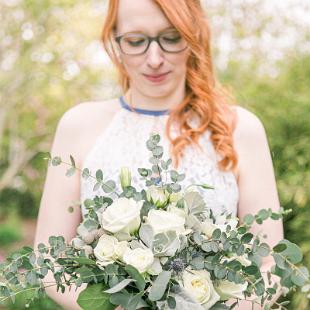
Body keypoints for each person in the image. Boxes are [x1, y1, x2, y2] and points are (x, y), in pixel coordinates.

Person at [34, 0, 284, 309]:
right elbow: (48, 262)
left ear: (194, 36)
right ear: (116, 42)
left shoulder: (241, 128)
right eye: (136, 41)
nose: (154, 58)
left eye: (171, 37)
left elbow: (272, 266)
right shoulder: (79, 126)